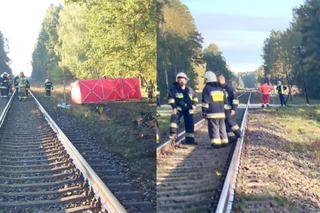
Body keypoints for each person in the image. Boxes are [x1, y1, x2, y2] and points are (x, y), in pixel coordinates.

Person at [168, 72, 198, 144]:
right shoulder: (174, 89)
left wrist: (194, 105)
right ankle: (173, 135)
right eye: (179, 79)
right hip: (179, 108)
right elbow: (171, 99)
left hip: (189, 109)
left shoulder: (190, 90)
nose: (181, 81)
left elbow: (195, 98)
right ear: (177, 80)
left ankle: (190, 140)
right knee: (174, 118)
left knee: (190, 124)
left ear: (186, 81)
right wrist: (174, 107)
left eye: (183, 79)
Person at [202, 71, 228, 148]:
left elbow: (205, 102)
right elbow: (225, 100)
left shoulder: (207, 88)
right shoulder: (220, 88)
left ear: (207, 79)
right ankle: (224, 141)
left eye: (205, 79)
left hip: (212, 113)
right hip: (222, 113)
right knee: (222, 128)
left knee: (214, 128)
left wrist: (204, 111)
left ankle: (216, 144)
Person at [218, 74, 241, 140]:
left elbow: (235, 99)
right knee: (226, 124)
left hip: (229, 110)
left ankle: (239, 134)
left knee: (231, 123)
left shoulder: (229, 88)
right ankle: (232, 138)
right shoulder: (220, 88)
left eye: (218, 80)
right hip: (223, 110)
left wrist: (234, 109)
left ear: (222, 80)